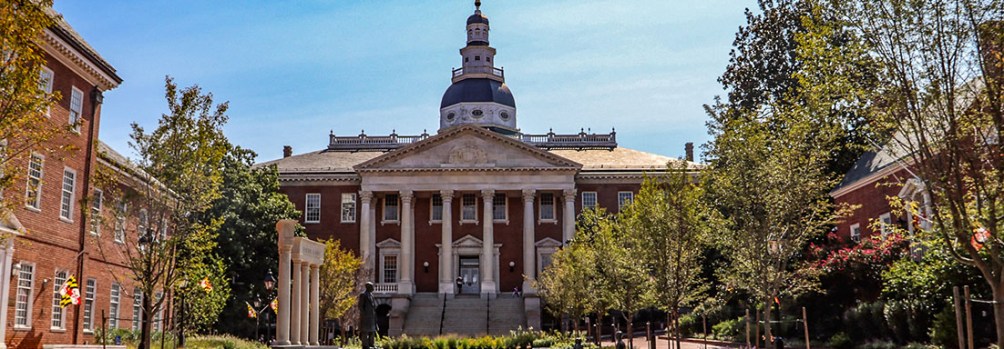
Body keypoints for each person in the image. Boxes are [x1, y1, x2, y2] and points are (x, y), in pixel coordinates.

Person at [358, 282, 378, 349]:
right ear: (368, 287)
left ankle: (371, 344)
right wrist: (364, 315)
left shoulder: (372, 295)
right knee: (365, 331)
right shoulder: (363, 295)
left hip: (372, 316)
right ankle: (365, 345)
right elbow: (360, 306)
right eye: (372, 286)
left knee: (372, 331)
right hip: (366, 317)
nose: (373, 288)